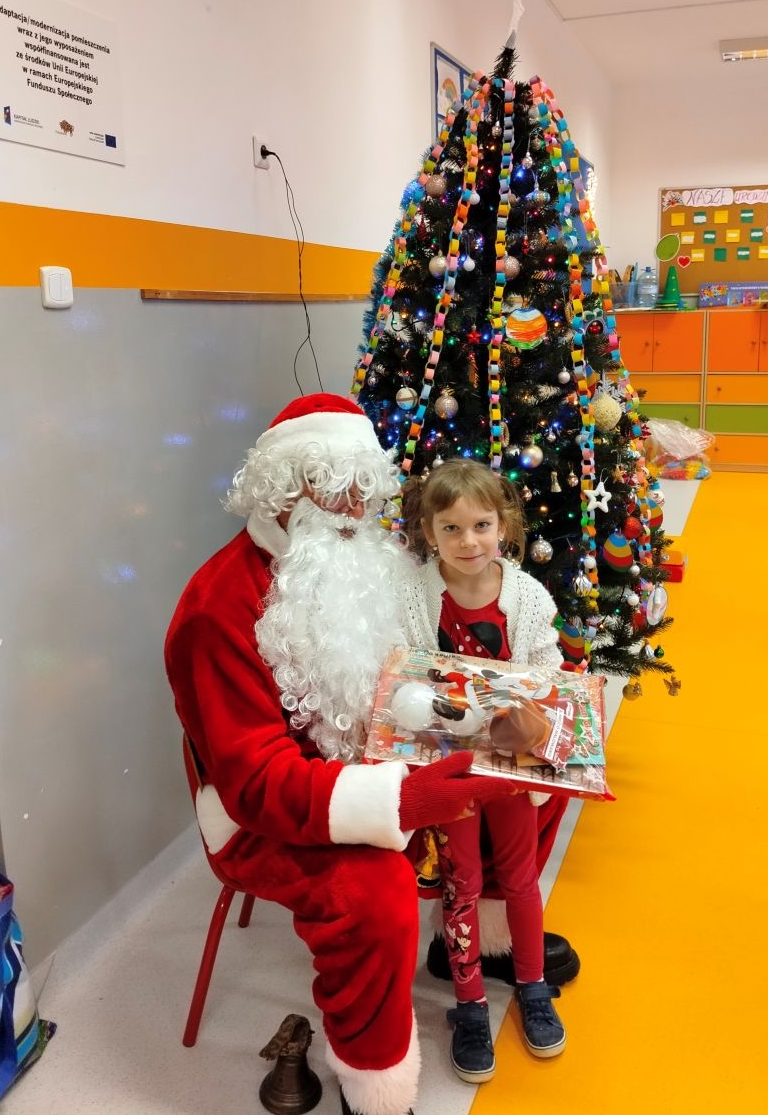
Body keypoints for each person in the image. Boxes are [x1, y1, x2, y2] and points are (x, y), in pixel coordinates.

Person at [164, 394, 521, 1115]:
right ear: (281, 488)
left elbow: (391, 681)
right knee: (373, 899)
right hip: (262, 811)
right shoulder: (218, 606)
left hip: (360, 764)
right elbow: (256, 784)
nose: (356, 508)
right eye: (334, 486)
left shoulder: (357, 562)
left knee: (516, 782)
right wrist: (408, 797)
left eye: (365, 486)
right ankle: (374, 1087)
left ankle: (473, 943)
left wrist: (466, 717)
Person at [399, 459, 568, 1084]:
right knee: (462, 881)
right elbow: (403, 673)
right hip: (451, 766)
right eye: (451, 528)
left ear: (504, 526)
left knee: (520, 879)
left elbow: (547, 675)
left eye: (481, 526)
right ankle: (469, 1003)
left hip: (509, 766)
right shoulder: (414, 595)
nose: (468, 541)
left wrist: (525, 717)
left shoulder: (528, 597)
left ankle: (532, 985)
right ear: (429, 531)